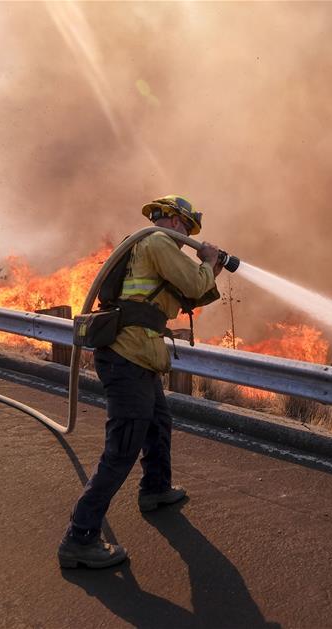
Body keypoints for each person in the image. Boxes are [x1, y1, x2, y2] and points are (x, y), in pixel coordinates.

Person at [58, 195, 223, 569]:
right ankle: (79, 538)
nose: (185, 239)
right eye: (185, 229)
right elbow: (195, 284)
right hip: (128, 355)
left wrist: (211, 270)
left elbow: (186, 296)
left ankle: (155, 489)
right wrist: (209, 261)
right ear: (175, 222)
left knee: (158, 423)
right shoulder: (158, 241)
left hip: (136, 354)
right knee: (122, 449)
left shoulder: (142, 247)